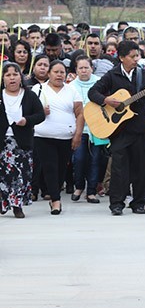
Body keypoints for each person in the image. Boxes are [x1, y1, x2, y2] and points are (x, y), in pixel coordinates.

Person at [88, 40, 145, 215]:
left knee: (141, 167)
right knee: (119, 168)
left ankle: (138, 203)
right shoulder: (111, 75)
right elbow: (92, 92)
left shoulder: (144, 75)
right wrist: (106, 100)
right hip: (119, 130)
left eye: (137, 55)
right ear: (122, 57)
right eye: (132, 56)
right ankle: (117, 203)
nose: (136, 59)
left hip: (140, 129)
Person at [32, 60, 84, 215]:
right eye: (56, 72)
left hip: (65, 137)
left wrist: (78, 134)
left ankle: (54, 195)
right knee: (50, 167)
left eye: (62, 72)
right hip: (42, 136)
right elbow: (29, 112)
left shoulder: (72, 90)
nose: (59, 75)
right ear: (49, 73)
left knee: (61, 168)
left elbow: (80, 113)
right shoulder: (38, 89)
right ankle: (56, 200)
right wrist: (41, 112)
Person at [0, 62, 45, 218]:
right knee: (4, 175)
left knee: (21, 175)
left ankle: (17, 205)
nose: (12, 78)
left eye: (15, 74)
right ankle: (4, 203)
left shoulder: (29, 95)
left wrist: (27, 120)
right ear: (3, 78)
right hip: (3, 142)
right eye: (8, 75)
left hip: (22, 142)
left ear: (21, 76)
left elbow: (40, 115)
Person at [69, 56, 104, 204]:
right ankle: (79, 186)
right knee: (79, 158)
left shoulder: (99, 83)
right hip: (79, 129)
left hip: (97, 128)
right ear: (76, 70)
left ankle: (91, 191)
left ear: (91, 68)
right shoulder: (70, 86)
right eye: (80, 68)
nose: (83, 71)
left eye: (86, 67)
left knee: (95, 160)